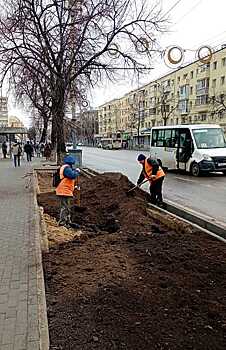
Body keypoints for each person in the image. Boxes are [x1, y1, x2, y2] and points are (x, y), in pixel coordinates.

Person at [56, 155, 80, 229]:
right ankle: (62, 223)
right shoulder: (66, 168)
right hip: (64, 191)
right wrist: (77, 171)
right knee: (65, 207)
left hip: (65, 191)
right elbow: (72, 175)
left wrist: (74, 187)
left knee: (67, 207)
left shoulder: (66, 167)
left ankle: (67, 221)